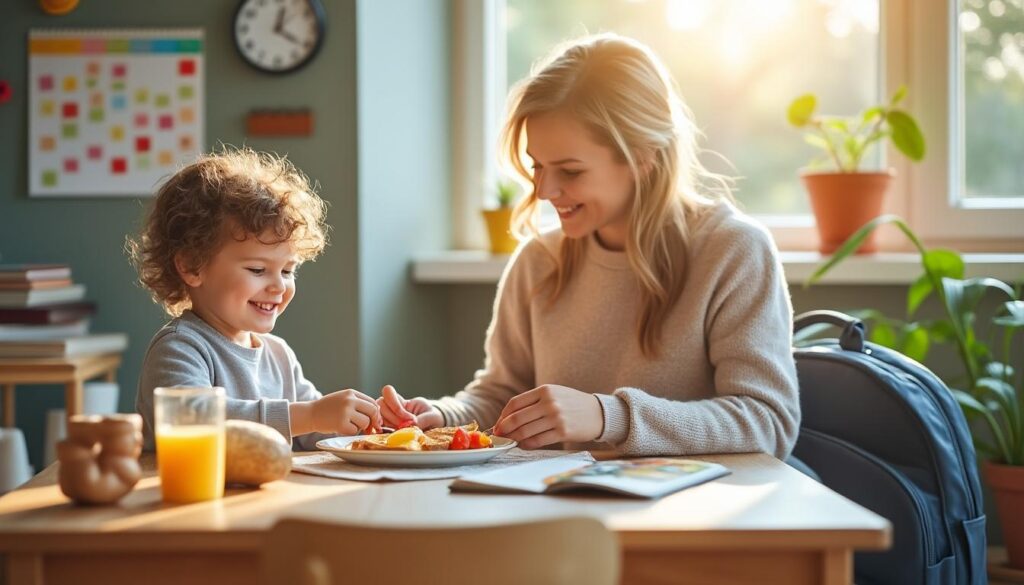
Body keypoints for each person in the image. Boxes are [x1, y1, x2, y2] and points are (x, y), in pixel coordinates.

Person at [378, 34, 800, 458]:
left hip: (695, 500)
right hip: (564, 498)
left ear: (642, 157)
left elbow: (768, 422)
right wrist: (442, 416)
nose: (544, 191)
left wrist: (609, 416)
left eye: (570, 171)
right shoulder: (538, 261)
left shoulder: (733, 251)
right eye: (537, 166)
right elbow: (501, 397)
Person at [129, 148, 380, 450]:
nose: (279, 286)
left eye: (288, 270)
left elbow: (317, 431)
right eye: (258, 270)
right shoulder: (180, 347)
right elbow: (192, 422)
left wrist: (368, 421)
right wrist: (310, 415)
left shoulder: (279, 355)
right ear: (192, 266)